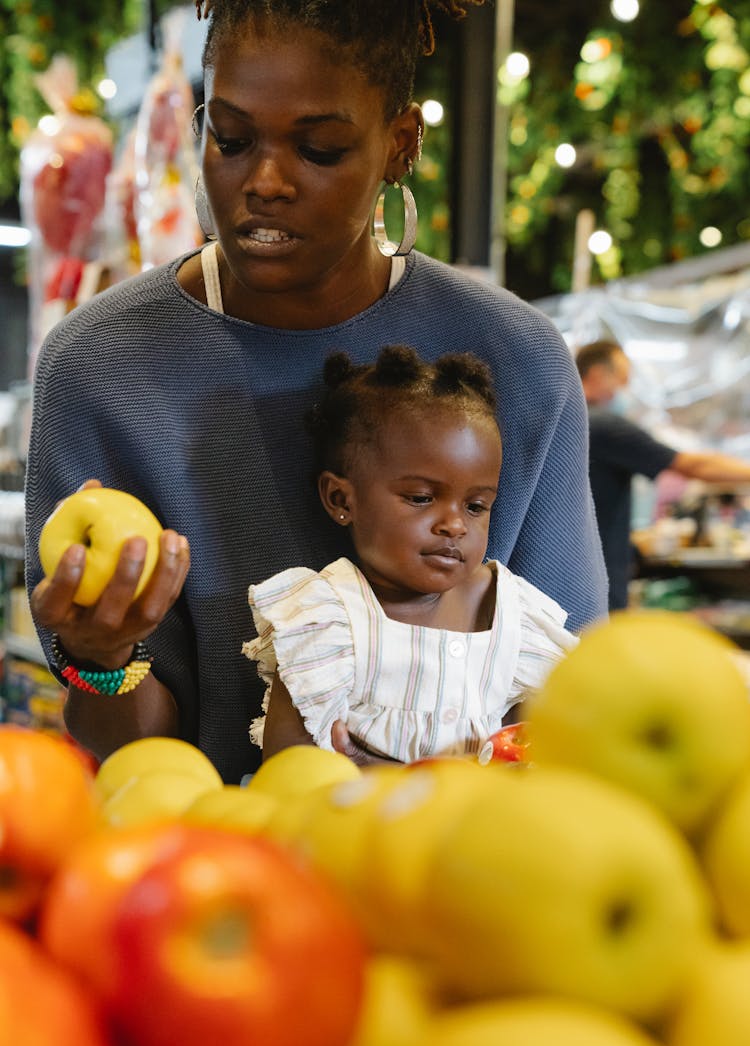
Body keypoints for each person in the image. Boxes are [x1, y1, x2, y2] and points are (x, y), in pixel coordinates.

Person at [24, 0, 607, 786]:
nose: (263, 182)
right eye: (229, 138)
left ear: (400, 144)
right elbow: (136, 756)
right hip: (208, 875)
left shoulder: (519, 361)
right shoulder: (101, 369)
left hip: (465, 874)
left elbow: (574, 717)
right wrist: (102, 659)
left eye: (321, 149)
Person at [244, 345, 579, 764]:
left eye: (475, 506)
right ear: (340, 498)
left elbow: (532, 752)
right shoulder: (328, 620)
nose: (455, 525)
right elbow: (290, 772)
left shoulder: (515, 618)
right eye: (421, 498)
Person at [577, 339, 750, 611]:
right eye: (623, 379)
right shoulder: (603, 425)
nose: (626, 389)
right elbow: (694, 466)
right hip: (597, 580)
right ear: (599, 375)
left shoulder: (572, 419)